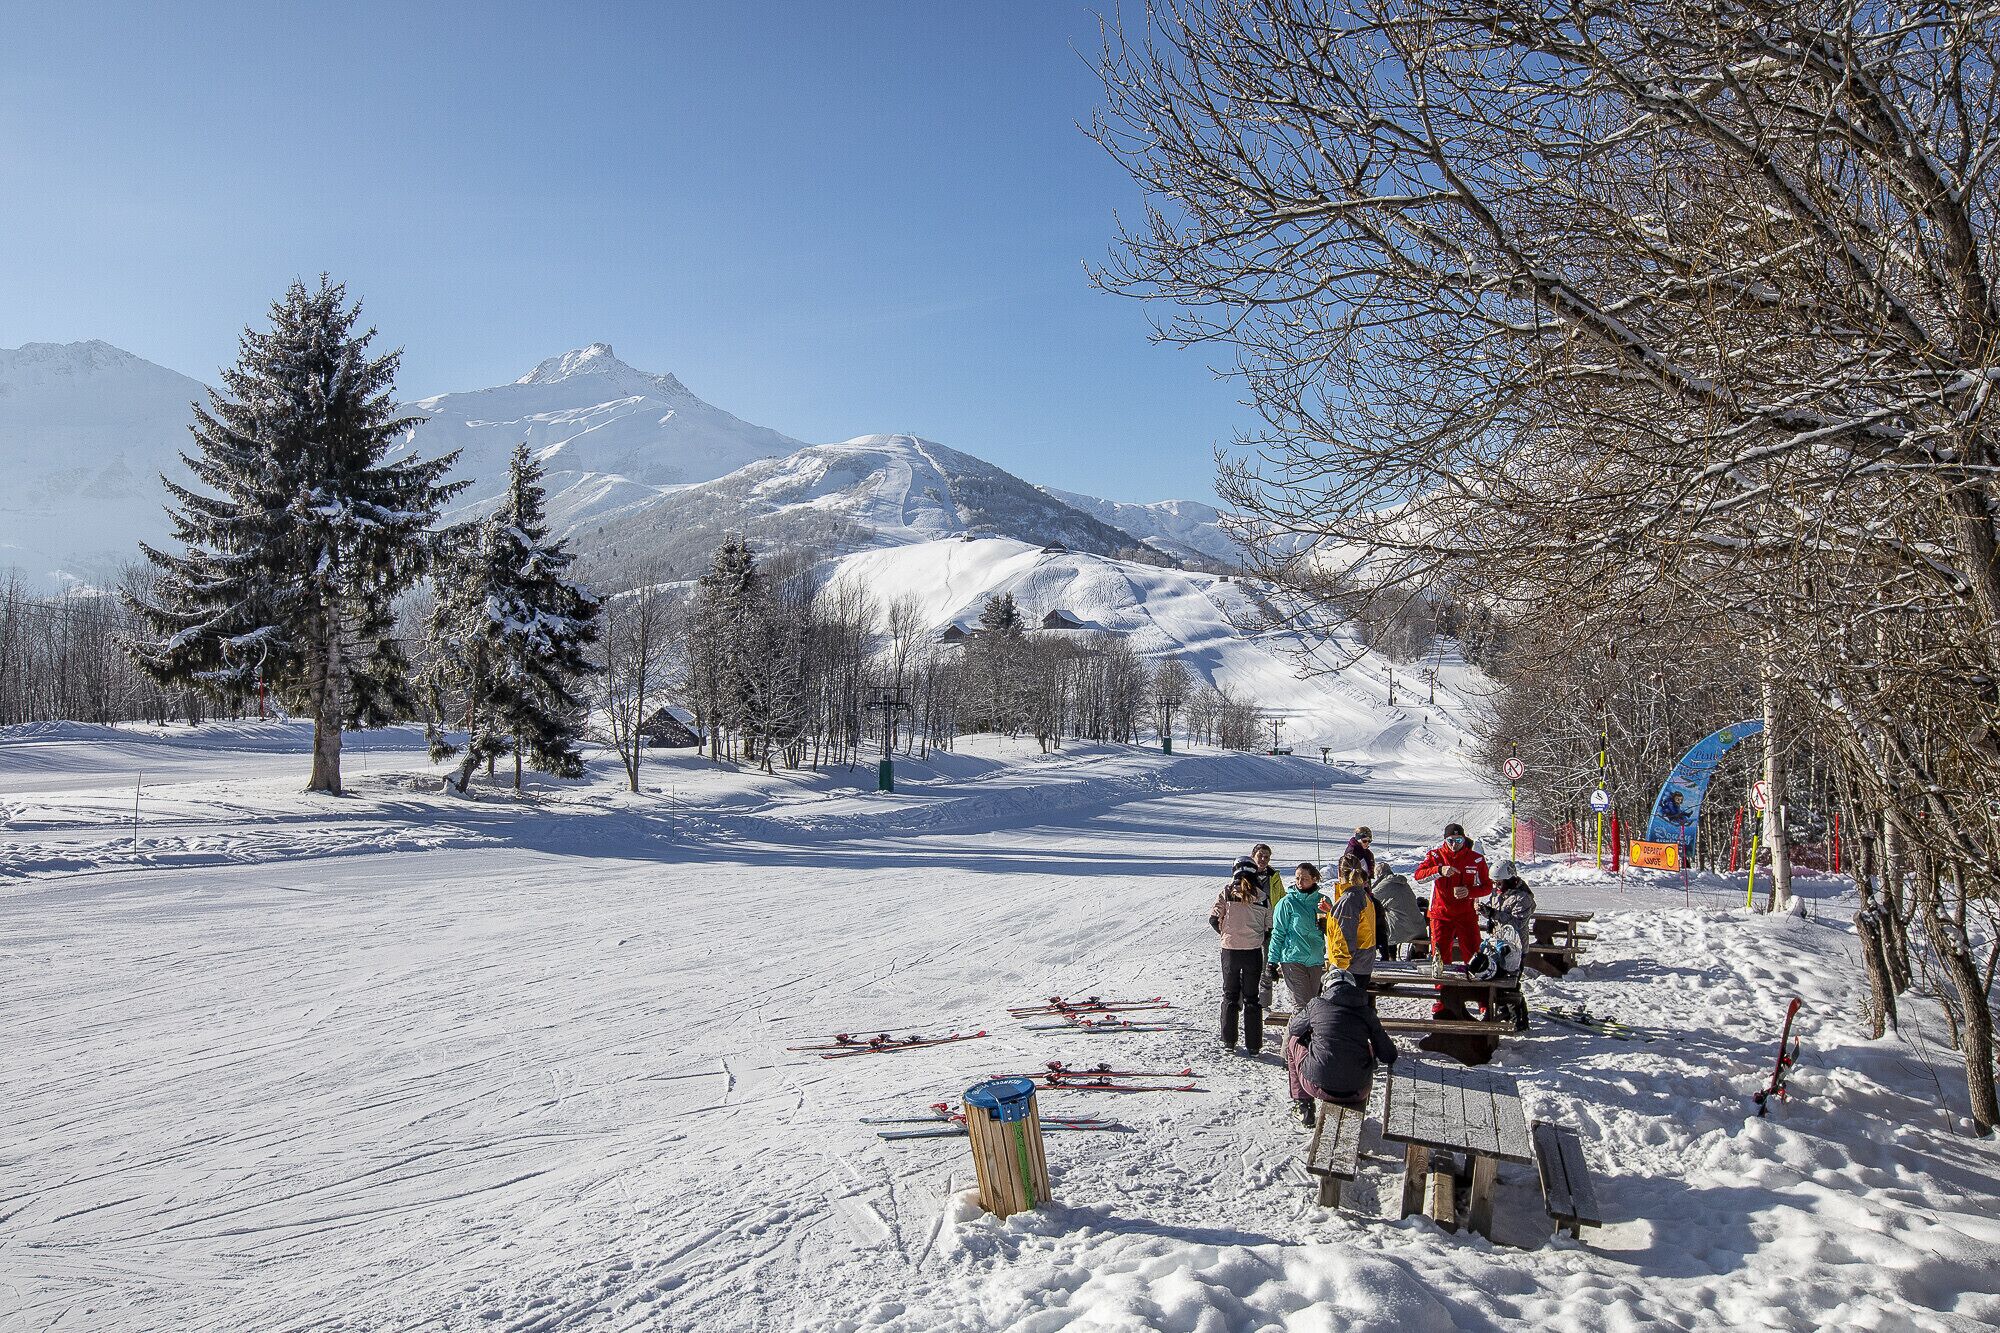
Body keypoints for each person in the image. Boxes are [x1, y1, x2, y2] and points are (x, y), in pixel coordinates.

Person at [1284, 969, 1397, 1127]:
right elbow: (1389, 1055)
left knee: (1293, 1041)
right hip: (1358, 1089)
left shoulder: (1317, 1004)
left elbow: (1294, 1029)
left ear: (1327, 988)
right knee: (1367, 1046)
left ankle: (1303, 1105)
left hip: (1317, 1085)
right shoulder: (1366, 1012)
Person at [1413, 822, 1492, 974]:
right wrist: (1439, 870)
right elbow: (1418, 876)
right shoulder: (1435, 855)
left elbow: (1487, 886)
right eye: (1451, 841)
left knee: (1474, 953)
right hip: (1441, 914)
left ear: (1464, 839)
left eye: (1459, 840)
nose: (1454, 844)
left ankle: (1477, 991)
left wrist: (1469, 892)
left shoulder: (1476, 859)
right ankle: (1443, 994)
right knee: (1440, 957)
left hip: (1466, 915)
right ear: (1445, 840)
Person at [1210, 864, 1271, 1054]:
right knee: (1252, 997)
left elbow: (1213, 918)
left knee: (1230, 994)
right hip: (1252, 951)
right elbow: (1269, 926)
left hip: (1230, 950)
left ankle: (1229, 1040)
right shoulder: (1262, 896)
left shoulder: (1227, 892)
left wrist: (1226, 933)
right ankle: (1253, 1044)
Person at [1479, 860, 1537, 1029]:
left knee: (1511, 984)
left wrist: (1494, 914)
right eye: (1494, 883)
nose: (1495, 886)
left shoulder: (1523, 898)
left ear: (1509, 879)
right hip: (1499, 944)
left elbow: (1517, 923)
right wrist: (1488, 914)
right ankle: (1503, 1014)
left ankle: (1518, 1020)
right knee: (1496, 982)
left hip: (1516, 947)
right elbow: (1497, 912)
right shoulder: (1499, 893)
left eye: (1499, 882)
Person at [1267, 862, 1332, 1009]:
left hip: (1315, 959)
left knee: (1313, 1004)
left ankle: (1308, 1032)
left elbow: (1335, 932)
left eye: (1304, 879)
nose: (1299, 882)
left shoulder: (1323, 901)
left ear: (1315, 879)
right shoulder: (1287, 903)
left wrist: (1329, 920)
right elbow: (1278, 933)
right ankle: (1294, 1032)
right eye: (1297, 878)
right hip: (1293, 958)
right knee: (1302, 1006)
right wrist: (1272, 961)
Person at [1325, 865, 1379, 988]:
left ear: (1339, 873)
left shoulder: (1349, 899)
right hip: (1363, 964)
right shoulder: (1362, 895)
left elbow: (1344, 937)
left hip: (1349, 968)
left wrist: (1338, 968)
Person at [1371, 865, 1426, 960]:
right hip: (1419, 928)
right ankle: (1419, 954)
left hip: (1401, 931)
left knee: (1385, 927)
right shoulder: (1402, 882)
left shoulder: (1384, 885)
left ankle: (1390, 956)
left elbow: (1370, 901)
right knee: (1392, 916)